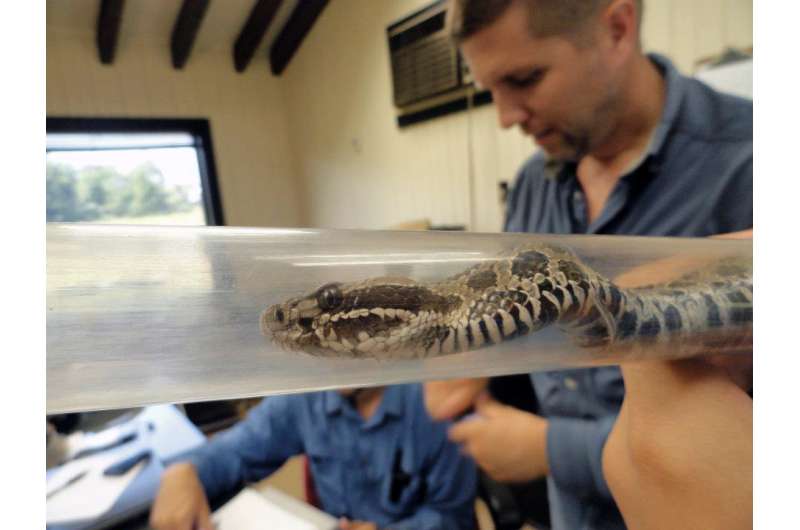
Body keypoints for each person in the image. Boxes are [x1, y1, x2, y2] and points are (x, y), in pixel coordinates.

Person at [428, 0, 752, 528]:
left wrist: (551, 449)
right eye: (491, 91)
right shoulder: (534, 184)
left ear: (617, 28)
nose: (506, 117)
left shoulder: (752, 162)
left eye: (525, 78)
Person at [150, 384, 477, 530]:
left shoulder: (435, 404)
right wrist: (184, 471)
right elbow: (238, 449)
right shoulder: (307, 399)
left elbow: (454, 517)